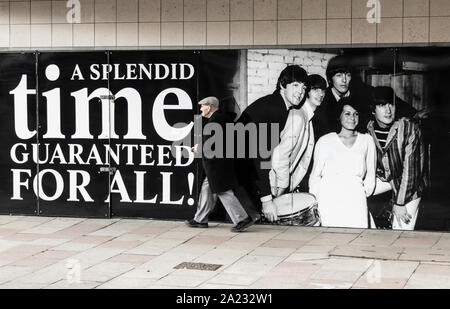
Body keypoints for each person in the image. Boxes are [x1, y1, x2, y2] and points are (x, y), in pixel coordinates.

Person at [236, 65, 308, 222]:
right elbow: (260, 156)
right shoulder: (274, 109)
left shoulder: (277, 106)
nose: (300, 92)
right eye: (295, 85)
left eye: (303, 87)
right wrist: (267, 200)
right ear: (283, 85)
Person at [185, 97, 254, 233]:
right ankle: (200, 219)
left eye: (202, 106)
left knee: (223, 190)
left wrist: (198, 148)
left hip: (217, 164)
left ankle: (242, 219)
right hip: (220, 162)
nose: (200, 109)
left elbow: (212, 145)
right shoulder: (222, 119)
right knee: (207, 189)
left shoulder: (216, 120)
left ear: (209, 107)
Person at [309, 97, 376, 228]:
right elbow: (315, 175)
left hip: (356, 198)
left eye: (356, 114)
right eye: (347, 113)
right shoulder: (325, 141)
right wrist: (315, 203)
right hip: (329, 198)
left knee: (357, 240)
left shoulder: (367, 140)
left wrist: (361, 192)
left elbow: (371, 175)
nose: (352, 118)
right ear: (339, 116)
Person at [367, 88, 427, 230]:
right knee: (355, 190)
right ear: (373, 110)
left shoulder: (408, 128)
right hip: (389, 179)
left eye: (391, 104)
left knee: (400, 231)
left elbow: (411, 172)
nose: (388, 110)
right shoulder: (369, 128)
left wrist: (399, 204)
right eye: (382, 105)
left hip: (411, 185)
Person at [269, 74, 327, 197]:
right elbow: (281, 154)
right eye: (315, 90)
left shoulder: (307, 116)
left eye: (323, 90)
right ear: (307, 92)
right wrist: (282, 187)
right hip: (277, 185)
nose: (321, 94)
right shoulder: (298, 116)